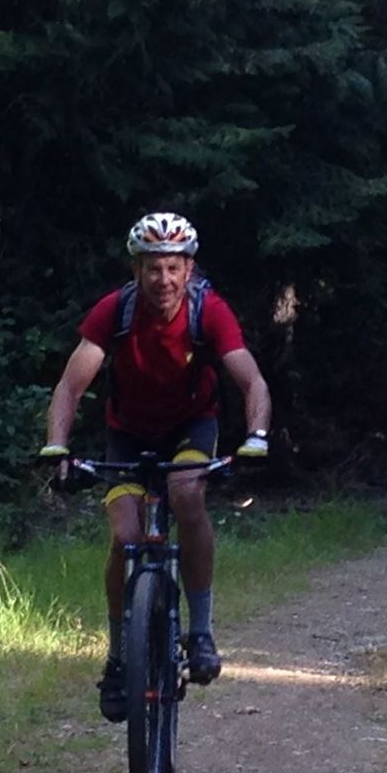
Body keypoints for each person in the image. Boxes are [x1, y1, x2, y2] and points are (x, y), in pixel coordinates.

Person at [40, 212, 272, 722]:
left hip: (191, 426)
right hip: (128, 432)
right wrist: (57, 446)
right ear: (136, 270)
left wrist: (256, 436)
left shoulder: (208, 311)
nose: (162, 279)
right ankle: (119, 656)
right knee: (125, 537)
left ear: (188, 269)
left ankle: (201, 631)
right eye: (152, 268)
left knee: (186, 494)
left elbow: (251, 380)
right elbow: (70, 386)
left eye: (172, 268)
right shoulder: (115, 311)